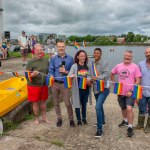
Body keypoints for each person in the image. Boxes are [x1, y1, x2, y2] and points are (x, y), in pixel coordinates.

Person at [110, 50, 141, 137]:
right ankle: (125, 121)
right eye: (126, 56)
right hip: (120, 92)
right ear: (124, 56)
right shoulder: (118, 66)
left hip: (130, 93)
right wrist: (114, 83)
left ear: (131, 57)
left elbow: (138, 79)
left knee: (129, 108)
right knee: (123, 107)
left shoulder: (135, 67)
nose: (127, 57)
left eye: (129, 56)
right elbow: (112, 73)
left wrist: (131, 90)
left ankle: (130, 127)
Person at [48, 40, 75, 127]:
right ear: (57, 47)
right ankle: (59, 118)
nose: (61, 48)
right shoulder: (53, 58)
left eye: (62, 46)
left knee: (67, 102)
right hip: (55, 83)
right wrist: (51, 75)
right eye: (59, 47)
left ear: (65, 47)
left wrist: (66, 72)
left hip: (65, 83)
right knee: (56, 102)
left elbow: (73, 72)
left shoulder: (70, 58)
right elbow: (51, 70)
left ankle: (71, 119)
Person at [26, 43, 49, 124]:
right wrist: (32, 75)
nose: (40, 52)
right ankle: (36, 118)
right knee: (35, 103)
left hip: (44, 85)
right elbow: (26, 76)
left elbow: (50, 71)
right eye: (38, 50)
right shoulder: (30, 62)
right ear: (34, 51)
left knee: (43, 102)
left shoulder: (46, 60)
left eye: (41, 50)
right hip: (33, 86)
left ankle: (44, 117)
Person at [68, 50, 92, 126]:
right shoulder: (74, 66)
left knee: (84, 104)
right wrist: (71, 76)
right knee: (77, 105)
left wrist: (89, 81)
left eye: (84, 56)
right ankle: (79, 120)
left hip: (86, 89)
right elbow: (69, 76)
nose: (83, 57)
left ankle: (84, 118)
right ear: (78, 57)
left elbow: (90, 76)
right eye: (81, 56)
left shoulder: (87, 66)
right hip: (77, 89)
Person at [90, 48, 110, 138]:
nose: (96, 54)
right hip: (95, 88)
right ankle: (102, 121)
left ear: (101, 54)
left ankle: (99, 130)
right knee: (100, 105)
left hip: (104, 88)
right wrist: (89, 79)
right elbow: (90, 74)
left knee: (97, 106)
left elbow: (106, 75)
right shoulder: (91, 63)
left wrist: (96, 78)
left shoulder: (105, 62)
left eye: (98, 53)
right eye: (95, 53)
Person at [135, 48, 150, 133]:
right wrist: (136, 93)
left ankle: (148, 126)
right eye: (146, 53)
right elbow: (137, 79)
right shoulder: (140, 64)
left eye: (149, 52)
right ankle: (140, 125)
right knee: (141, 109)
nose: (148, 54)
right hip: (142, 92)